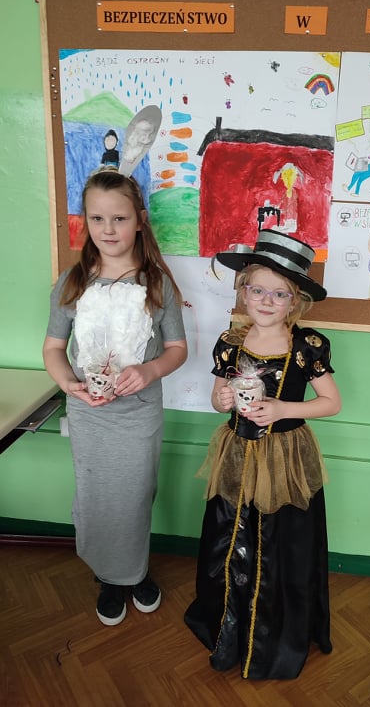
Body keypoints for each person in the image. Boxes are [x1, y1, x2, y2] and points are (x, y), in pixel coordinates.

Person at [184, 229, 341, 680]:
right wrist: (223, 400)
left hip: (285, 457)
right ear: (243, 290)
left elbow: (331, 403)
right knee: (230, 534)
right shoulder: (231, 342)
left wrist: (282, 409)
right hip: (237, 451)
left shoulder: (306, 346)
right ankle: (227, 623)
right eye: (258, 290)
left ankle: (274, 630)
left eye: (279, 293)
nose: (267, 300)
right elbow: (218, 398)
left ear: (294, 302)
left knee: (279, 540)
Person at [43, 168, 187, 626]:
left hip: (138, 415)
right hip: (90, 414)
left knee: (135, 495)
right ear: (85, 221)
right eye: (97, 218)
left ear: (140, 220)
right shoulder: (71, 282)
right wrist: (69, 384)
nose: (108, 229)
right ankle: (108, 576)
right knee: (97, 495)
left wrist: (149, 370)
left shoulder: (157, 284)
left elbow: (177, 349)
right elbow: (53, 349)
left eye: (119, 218)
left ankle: (136, 572)